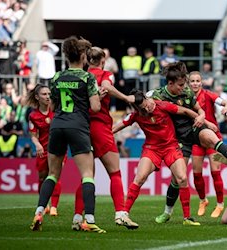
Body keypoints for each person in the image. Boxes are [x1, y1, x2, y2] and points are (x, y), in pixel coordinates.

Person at [148, 62, 227, 224]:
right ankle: (169, 211)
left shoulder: (197, 94)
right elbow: (141, 100)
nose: (188, 86)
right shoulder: (157, 95)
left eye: (195, 81)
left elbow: (202, 109)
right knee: (180, 177)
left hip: (196, 130)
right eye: (186, 82)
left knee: (213, 148)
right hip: (179, 139)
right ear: (171, 83)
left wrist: (202, 117)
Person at [30, 36, 105, 233]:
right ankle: (88, 218)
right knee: (87, 175)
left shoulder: (56, 77)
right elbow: (96, 107)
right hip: (78, 126)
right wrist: (97, 96)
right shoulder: (87, 78)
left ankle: (39, 212)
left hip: (57, 126)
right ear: (82, 56)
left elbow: (53, 105)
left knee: (52, 174)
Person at [72, 47, 138, 230]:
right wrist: (126, 98)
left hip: (82, 128)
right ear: (102, 60)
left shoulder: (81, 76)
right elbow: (108, 87)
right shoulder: (105, 74)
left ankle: (77, 218)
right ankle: (121, 214)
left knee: (87, 176)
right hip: (100, 126)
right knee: (114, 172)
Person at [113, 90, 202, 226]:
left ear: (146, 98)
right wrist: (104, 135)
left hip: (170, 147)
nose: (146, 108)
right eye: (142, 108)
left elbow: (185, 111)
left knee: (182, 178)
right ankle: (124, 214)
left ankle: (187, 218)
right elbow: (118, 126)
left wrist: (200, 119)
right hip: (151, 149)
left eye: (146, 104)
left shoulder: (163, 105)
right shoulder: (136, 115)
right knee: (140, 177)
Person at [188, 71, 227, 218]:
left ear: (201, 82)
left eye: (197, 81)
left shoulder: (208, 95)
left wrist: (226, 106)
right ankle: (203, 200)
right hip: (197, 138)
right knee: (196, 173)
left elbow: (226, 102)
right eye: (192, 81)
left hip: (213, 138)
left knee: (215, 171)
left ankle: (220, 204)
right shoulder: (186, 97)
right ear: (189, 83)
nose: (195, 83)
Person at [27, 84, 62, 216]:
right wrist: (37, 145)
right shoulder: (33, 116)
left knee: (55, 175)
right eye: (44, 94)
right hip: (43, 150)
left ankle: (54, 206)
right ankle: (44, 203)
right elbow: (33, 136)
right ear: (37, 97)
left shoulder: (57, 111)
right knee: (42, 177)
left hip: (58, 148)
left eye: (49, 94)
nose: (47, 97)